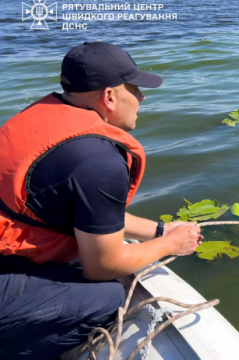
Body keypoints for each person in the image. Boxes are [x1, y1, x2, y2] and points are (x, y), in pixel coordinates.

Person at [0, 42, 203, 359]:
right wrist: (171, 246)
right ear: (109, 97)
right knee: (108, 295)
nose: (142, 98)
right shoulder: (99, 161)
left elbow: (85, 218)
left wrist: (160, 231)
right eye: (134, 89)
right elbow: (101, 267)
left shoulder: (40, 119)